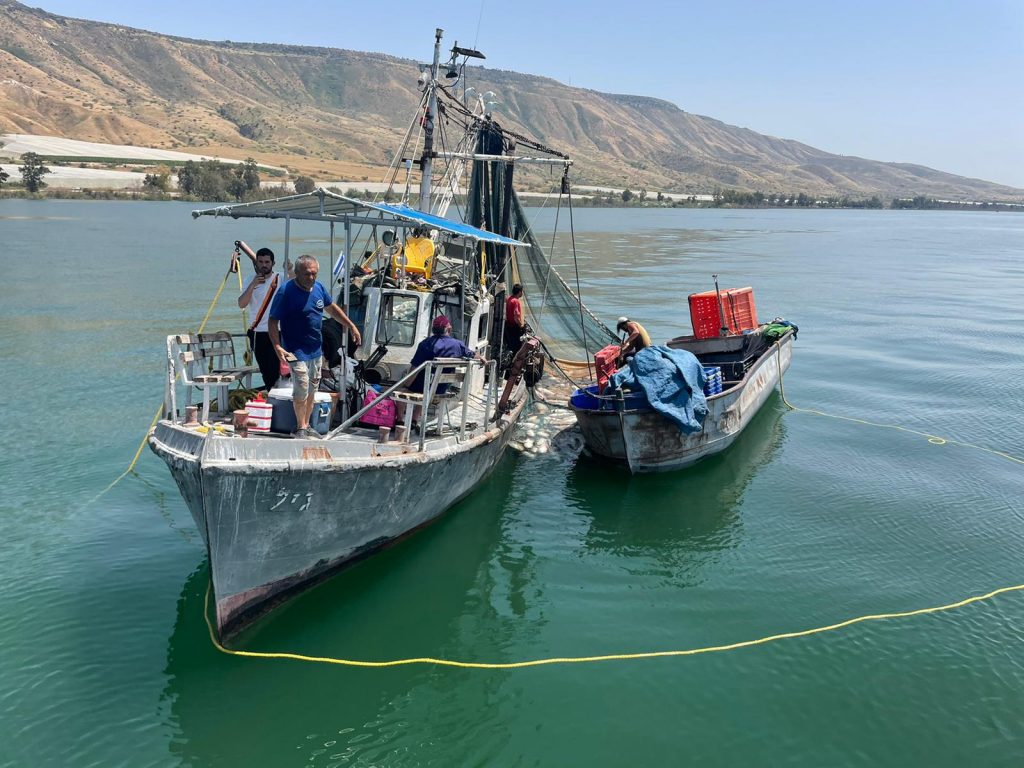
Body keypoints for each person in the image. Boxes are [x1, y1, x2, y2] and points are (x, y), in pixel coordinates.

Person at [268, 255, 361, 439]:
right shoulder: (286, 291)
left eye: (314, 274)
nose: (311, 278)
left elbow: (332, 309)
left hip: (315, 349)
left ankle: (306, 424)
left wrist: (350, 325)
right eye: (306, 274)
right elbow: (272, 321)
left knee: (313, 387)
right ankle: (300, 427)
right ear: (297, 273)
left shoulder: (318, 288)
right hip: (294, 349)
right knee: (301, 385)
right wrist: (277, 346)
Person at [404, 316, 484, 428]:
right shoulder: (458, 345)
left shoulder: (425, 344)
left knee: (404, 387)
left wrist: (405, 386)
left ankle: (399, 421)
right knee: (425, 384)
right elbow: (473, 355)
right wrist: (481, 358)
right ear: (448, 329)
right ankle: (414, 420)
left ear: (433, 329)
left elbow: (414, 369)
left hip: (424, 387)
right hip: (442, 388)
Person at [236, 242, 288, 390]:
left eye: (267, 262)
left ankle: (278, 398)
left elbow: (296, 282)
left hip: (278, 332)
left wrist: (290, 268)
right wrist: (253, 285)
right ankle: (272, 397)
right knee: (267, 371)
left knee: (281, 369)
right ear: (256, 262)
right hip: (258, 333)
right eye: (260, 262)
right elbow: (242, 304)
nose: (264, 265)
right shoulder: (249, 280)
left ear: (273, 263)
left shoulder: (281, 278)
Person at [503, 283, 526, 357]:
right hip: (514, 328)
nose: (522, 293)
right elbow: (516, 315)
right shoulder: (515, 301)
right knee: (518, 348)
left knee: (511, 346)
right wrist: (521, 326)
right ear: (519, 292)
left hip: (508, 327)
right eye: (522, 291)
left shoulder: (509, 299)